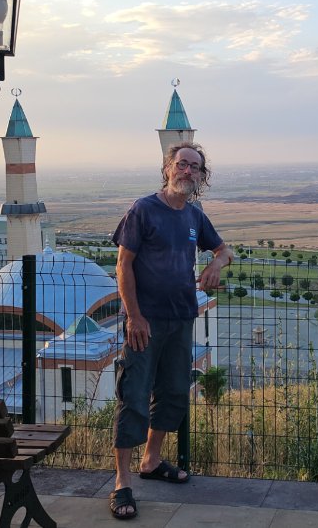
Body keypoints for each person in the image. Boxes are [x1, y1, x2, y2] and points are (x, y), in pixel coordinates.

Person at [108, 141, 233, 520]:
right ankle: (121, 483)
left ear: (201, 176)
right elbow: (123, 266)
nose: (187, 172)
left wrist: (216, 266)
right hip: (145, 322)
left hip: (181, 319)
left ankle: (151, 461)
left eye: (195, 167)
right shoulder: (144, 209)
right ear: (168, 168)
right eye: (182, 164)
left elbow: (225, 250)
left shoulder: (194, 216)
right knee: (133, 395)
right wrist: (134, 316)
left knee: (174, 393)